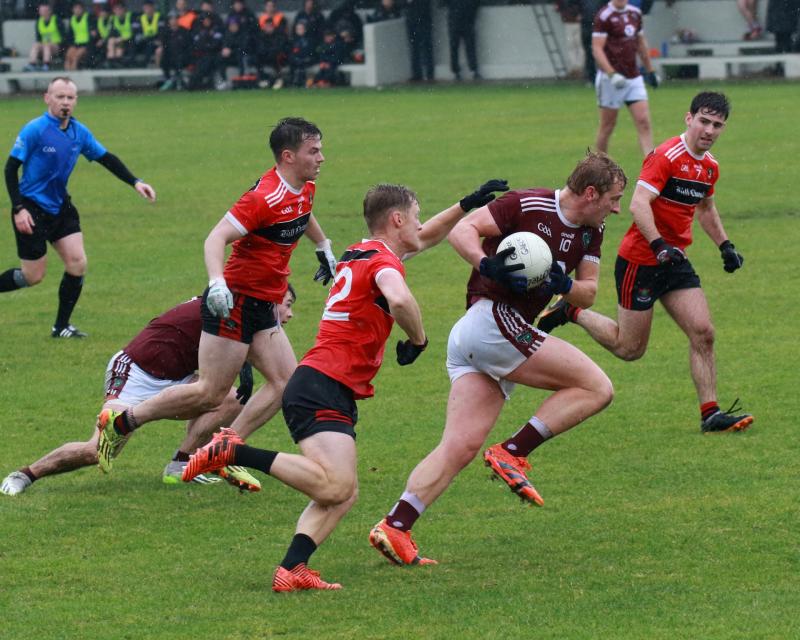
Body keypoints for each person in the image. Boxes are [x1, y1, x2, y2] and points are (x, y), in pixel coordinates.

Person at [181, 179, 511, 591]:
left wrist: (465, 204)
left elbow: (425, 237)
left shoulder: (363, 251)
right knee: (335, 484)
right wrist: (418, 339)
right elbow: (400, 300)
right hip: (323, 384)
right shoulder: (385, 263)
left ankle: (293, 569)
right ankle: (233, 450)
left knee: (343, 492)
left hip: (323, 383)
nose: (421, 224)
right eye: (416, 216)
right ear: (397, 220)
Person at [367, 154, 626, 566]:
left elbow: (589, 292)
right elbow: (463, 231)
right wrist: (486, 264)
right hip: (491, 321)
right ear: (591, 193)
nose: (617, 208)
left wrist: (562, 283)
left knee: (460, 446)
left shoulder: (593, 230)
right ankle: (512, 451)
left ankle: (396, 526)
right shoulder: (527, 204)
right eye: (614, 199)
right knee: (596, 386)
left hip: (482, 336)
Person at [95, 117, 337, 472]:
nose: (321, 158)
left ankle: (222, 448)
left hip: (263, 304)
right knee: (210, 392)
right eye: (313, 151)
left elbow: (303, 211)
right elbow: (215, 238)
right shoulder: (262, 198)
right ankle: (125, 421)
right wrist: (217, 282)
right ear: (288, 156)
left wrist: (322, 245)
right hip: (236, 301)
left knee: (286, 382)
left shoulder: (304, 186)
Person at [537, 92, 754, 435]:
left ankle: (710, 414)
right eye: (704, 121)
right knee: (630, 349)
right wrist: (658, 245)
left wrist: (725, 245)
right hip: (640, 260)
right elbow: (639, 204)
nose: (709, 130)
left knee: (704, 332)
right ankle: (571, 310)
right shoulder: (665, 156)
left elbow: (706, 209)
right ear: (689, 119)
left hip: (675, 261)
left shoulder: (709, 167)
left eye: (717, 125)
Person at [0, 287, 297, 497]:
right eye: (287, 304)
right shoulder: (227, 304)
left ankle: (181, 463)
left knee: (231, 399)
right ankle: (25, 474)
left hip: (179, 376)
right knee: (96, 450)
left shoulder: (246, 314)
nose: (290, 313)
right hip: (135, 372)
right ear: (269, 300)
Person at [1, 77, 157, 339]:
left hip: (60, 206)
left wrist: (135, 182)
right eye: (59, 97)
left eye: (70, 98)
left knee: (77, 263)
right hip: (30, 208)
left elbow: (106, 158)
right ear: (47, 98)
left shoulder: (79, 132)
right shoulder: (35, 129)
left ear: (75, 101)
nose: (65, 102)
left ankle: (61, 327)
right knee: (32, 276)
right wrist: (18, 208)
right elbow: (10, 169)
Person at [591, 0, 658, 156]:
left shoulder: (635, 13)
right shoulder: (604, 16)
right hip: (610, 80)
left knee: (644, 122)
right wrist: (611, 73)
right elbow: (597, 48)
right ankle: (598, 165)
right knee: (607, 126)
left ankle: (651, 165)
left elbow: (641, 43)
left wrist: (650, 70)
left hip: (634, 77)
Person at [444, 0, 480, 81]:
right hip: (465, 19)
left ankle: (458, 72)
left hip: (456, 18)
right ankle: (472, 71)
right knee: (468, 46)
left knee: (457, 46)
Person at [24, 3, 64, 71]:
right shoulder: (39, 22)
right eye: (41, 11)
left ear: (50, 11)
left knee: (47, 46)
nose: (43, 13)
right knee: (36, 45)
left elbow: (63, 35)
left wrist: (61, 45)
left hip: (57, 46)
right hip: (44, 46)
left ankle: (46, 65)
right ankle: (32, 64)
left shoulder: (56, 20)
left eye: (45, 11)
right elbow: (38, 38)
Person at [405, 0, 434, 82]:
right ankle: (417, 74)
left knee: (426, 46)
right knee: (414, 48)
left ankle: (429, 74)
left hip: (423, 18)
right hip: (411, 19)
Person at [64, 1, 96, 70]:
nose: (77, 10)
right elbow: (70, 34)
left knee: (75, 57)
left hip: (86, 44)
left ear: (82, 9)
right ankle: (67, 73)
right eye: (75, 8)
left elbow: (93, 33)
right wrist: (71, 44)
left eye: (79, 8)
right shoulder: (72, 19)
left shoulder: (88, 17)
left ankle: (74, 72)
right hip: (76, 44)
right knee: (68, 57)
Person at [132, 0, 164, 67]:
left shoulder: (159, 17)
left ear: (153, 8)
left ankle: (145, 64)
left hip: (155, 42)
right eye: (145, 8)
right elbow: (137, 33)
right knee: (134, 44)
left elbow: (161, 31)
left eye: (149, 7)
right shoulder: (139, 18)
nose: (147, 9)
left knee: (150, 45)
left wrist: (156, 39)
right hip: (145, 41)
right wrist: (146, 38)